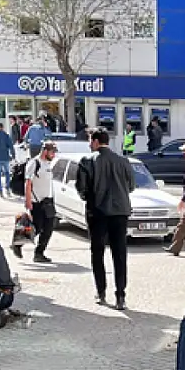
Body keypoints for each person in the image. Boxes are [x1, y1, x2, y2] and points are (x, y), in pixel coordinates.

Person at [76, 129, 135, 310]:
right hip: (120, 212)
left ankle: (101, 292)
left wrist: (92, 199)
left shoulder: (88, 161)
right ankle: (120, 296)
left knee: (97, 253)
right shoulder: (123, 161)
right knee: (120, 254)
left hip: (98, 213)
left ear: (95, 142)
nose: (89, 145)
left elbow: (81, 188)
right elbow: (131, 186)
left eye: (89, 141)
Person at [17, 140, 58, 263]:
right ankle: (18, 244)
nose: (54, 155)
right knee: (36, 228)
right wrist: (28, 200)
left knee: (49, 228)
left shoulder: (48, 165)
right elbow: (28, 183)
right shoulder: (34, 163)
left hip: (48, 201)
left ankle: (39, 253)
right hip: (36, 202)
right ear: (45, 151)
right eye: (52, 152)